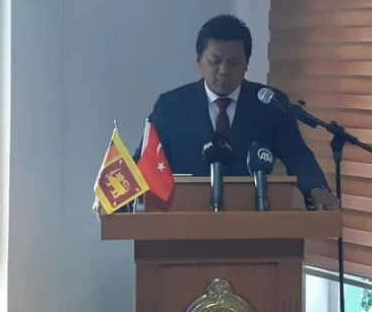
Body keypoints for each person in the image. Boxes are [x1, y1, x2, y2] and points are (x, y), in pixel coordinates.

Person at [137, 14, 340, 210]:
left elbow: (297, 155)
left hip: (253, 219)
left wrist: (316, 188)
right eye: (215, 61)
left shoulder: (269, 104)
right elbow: (143, 160)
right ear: (199, 61)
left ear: (246, 64)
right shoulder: (171, 106)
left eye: (233, 63)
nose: (224, 70)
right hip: (183, 219)